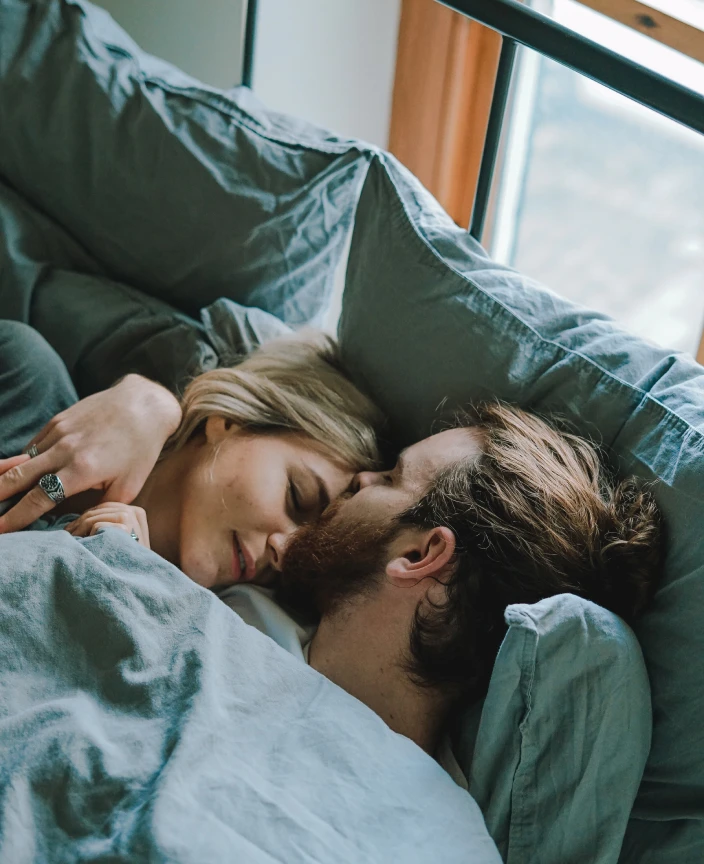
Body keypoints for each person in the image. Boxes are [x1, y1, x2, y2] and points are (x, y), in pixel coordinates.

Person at [0, 320, 383, 589]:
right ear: (231, 419)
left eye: (307, 548)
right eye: (297, 496)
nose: (284, 551)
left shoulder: (215, 629)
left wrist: (124, 578)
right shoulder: (21, 375)